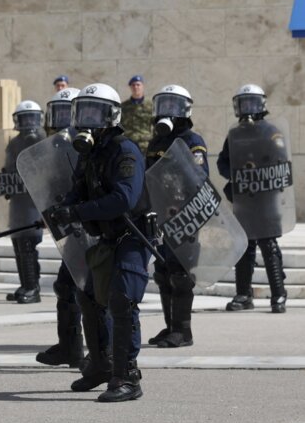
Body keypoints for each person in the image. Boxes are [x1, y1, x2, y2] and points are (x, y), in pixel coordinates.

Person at [49, 83, 152, 402]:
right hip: (106, 236)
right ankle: (100, 365)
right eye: (83, 112)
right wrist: (63, 208)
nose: (87, 120)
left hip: (133, 236)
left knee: (122, 300)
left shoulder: (125, 151)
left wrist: (77, 211)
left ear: (112, 116)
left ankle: (127, 377)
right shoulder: (90, 153)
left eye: (94, 113)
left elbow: (123, 199)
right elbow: (79, 189)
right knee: (89, 295)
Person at [217, 84, 290, 314]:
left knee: (268, 245)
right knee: (244, 246)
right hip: (244, 200)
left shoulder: (271, 132)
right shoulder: (235, 134)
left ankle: (278, 295)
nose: (247, 108)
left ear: (261, 105)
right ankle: (243, 294)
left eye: (251, 103)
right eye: (243, 103)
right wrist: (235, 174)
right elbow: (222, 162)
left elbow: (281, 160)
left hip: (266, 200)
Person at [145, 85, 207, 348]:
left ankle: (184, 331)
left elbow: (201, 177)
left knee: (181, 274)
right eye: (163, 105)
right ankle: (170, 326)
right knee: (163, 272)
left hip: (185, 217)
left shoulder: (193, 141)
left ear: (185, 110)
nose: (167, 111)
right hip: (160, 217)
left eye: (173, 105)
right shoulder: (155, 143)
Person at [34, 87, 85, 368]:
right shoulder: (55, 147)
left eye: (68, 112)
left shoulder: (87, 145)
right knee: (66, 286)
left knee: (93, 290)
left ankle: (103, 353)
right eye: (59, 113)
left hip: (91, 225)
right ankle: (70, 347)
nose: (63, 119)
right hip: (69, 224)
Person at [0, 100, 47, 304]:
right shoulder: (13, 143)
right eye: (24, 118)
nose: (28, 122)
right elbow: (7, 168)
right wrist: (3, 184)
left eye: (31, 118)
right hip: (17, 200)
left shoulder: (43, 141)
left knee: (28, 243)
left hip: (32, 201)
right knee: (18, 242)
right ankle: (25, 284)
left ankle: (32, 287)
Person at [120, 75, 154, 153]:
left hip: (145, 145)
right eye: (133, 85)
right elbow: (119, 124)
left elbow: (156, 125)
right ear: (130, 87)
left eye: (138, 85)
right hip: (128, 143)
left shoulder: (151, 106)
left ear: (143, 86)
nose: (136, 87)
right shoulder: (123, 106)